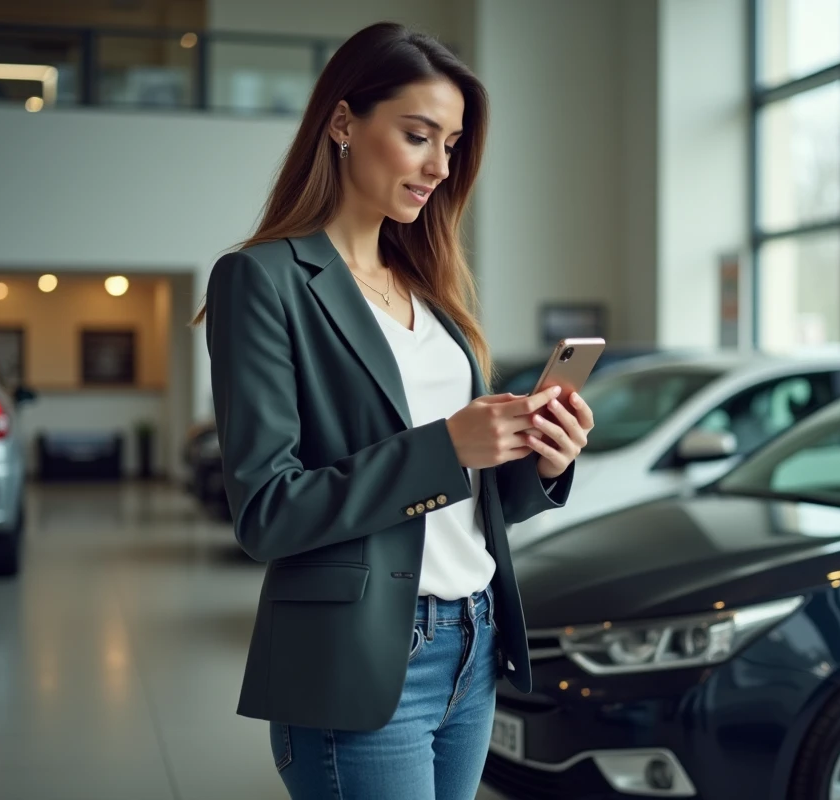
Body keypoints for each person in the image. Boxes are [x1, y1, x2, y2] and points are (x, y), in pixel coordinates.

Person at [196, 21, 594, 800]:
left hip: (474, 642)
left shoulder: (430, 292)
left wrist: (544, 461)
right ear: (343, 123)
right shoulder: (263, 280)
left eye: (451, 145)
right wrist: (447, 446)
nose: (440, 167)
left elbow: (465, 504)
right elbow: (267, 512)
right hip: (365, 656)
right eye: (419, 136)